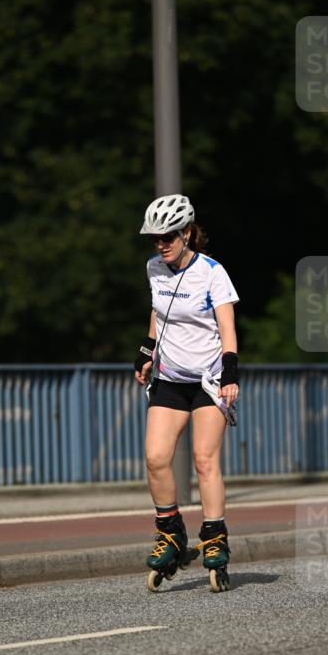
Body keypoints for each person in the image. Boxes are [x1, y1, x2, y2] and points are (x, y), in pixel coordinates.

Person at [133, 194, 240, 592]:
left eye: (169, 236)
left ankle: (214, 540)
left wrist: (231, 374)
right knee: (156, 457)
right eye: (155, 238)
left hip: (210, 379)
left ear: (187, 233)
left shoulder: (212, 272)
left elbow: (227, 329)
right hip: (171, 377)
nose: (161, 244)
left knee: (203, 458)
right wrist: (146, 351)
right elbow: (158, 313)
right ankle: (172, 533)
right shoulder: (154, 268)